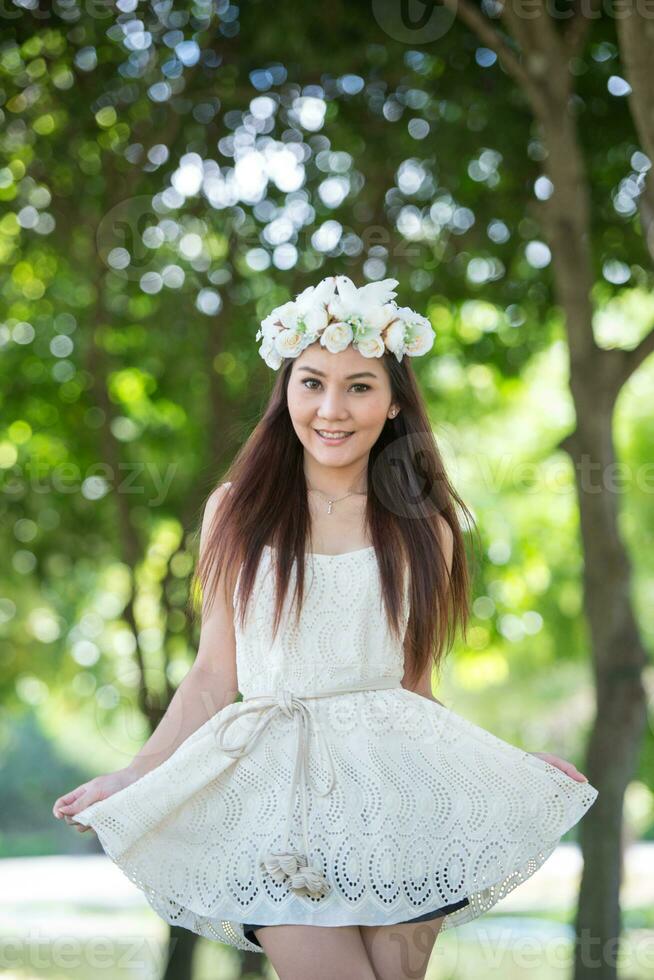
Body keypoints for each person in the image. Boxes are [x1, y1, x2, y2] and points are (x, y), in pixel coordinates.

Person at [53, 276, 598, 980]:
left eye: (360, 386)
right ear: (286, 392)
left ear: (396, 399)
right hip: (276, 800)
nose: (332, 409)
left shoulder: (422, 523)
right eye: (312, 383)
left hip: (400, 800)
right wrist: (135, 773)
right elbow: (215, 675)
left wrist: (514, 768)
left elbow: (416, 691)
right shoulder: (237, 510)